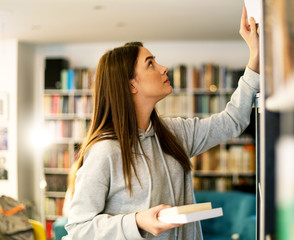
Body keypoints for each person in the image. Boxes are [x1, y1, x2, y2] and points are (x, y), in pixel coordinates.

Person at [65, 6, 259, 240]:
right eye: (150, 63)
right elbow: (78, 229)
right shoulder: (105, 150)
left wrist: (254, 59)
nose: (163, 68)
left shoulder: (175, 132)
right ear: (131, 85)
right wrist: (136, 222)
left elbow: (232, 121)